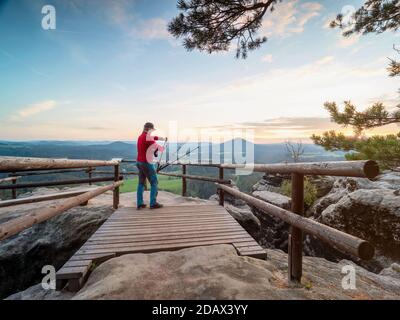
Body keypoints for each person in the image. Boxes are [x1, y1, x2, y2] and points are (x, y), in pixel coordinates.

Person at [136, 122, 166, 209]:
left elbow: (152, 138)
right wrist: (162, 147)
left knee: (141, 183)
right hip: (146, 163)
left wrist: (159, 138)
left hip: (139, 162)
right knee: (154, 182)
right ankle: (153, 203)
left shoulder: (141, 136)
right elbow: (157, 147)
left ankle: (139, 203)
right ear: (148, 129)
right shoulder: (148, 137)